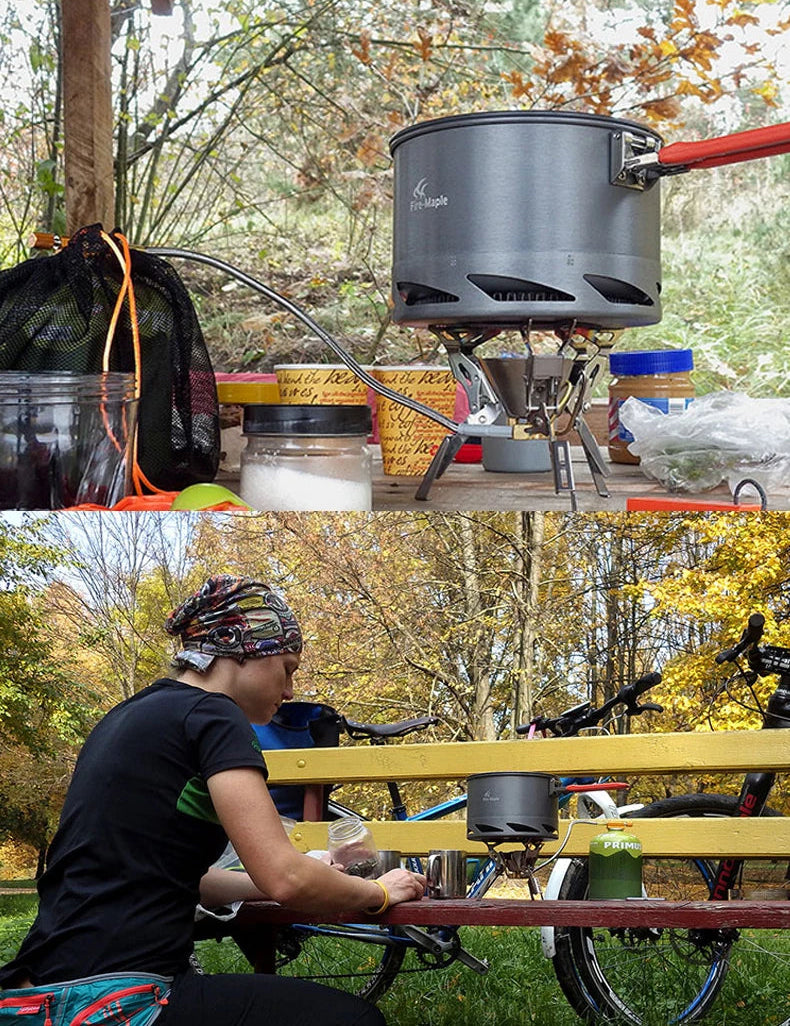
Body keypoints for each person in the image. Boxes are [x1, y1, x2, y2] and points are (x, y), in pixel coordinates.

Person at [0, 575, 426, 1026]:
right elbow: (286, 879)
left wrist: (284, 876)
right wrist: (378, 892)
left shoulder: (128, 716)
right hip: (122, 1000)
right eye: (287, 668)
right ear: (243, 650)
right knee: (355, 1021)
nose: (290, 692)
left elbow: (185, 877)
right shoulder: (214, 715)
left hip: (41, 993)